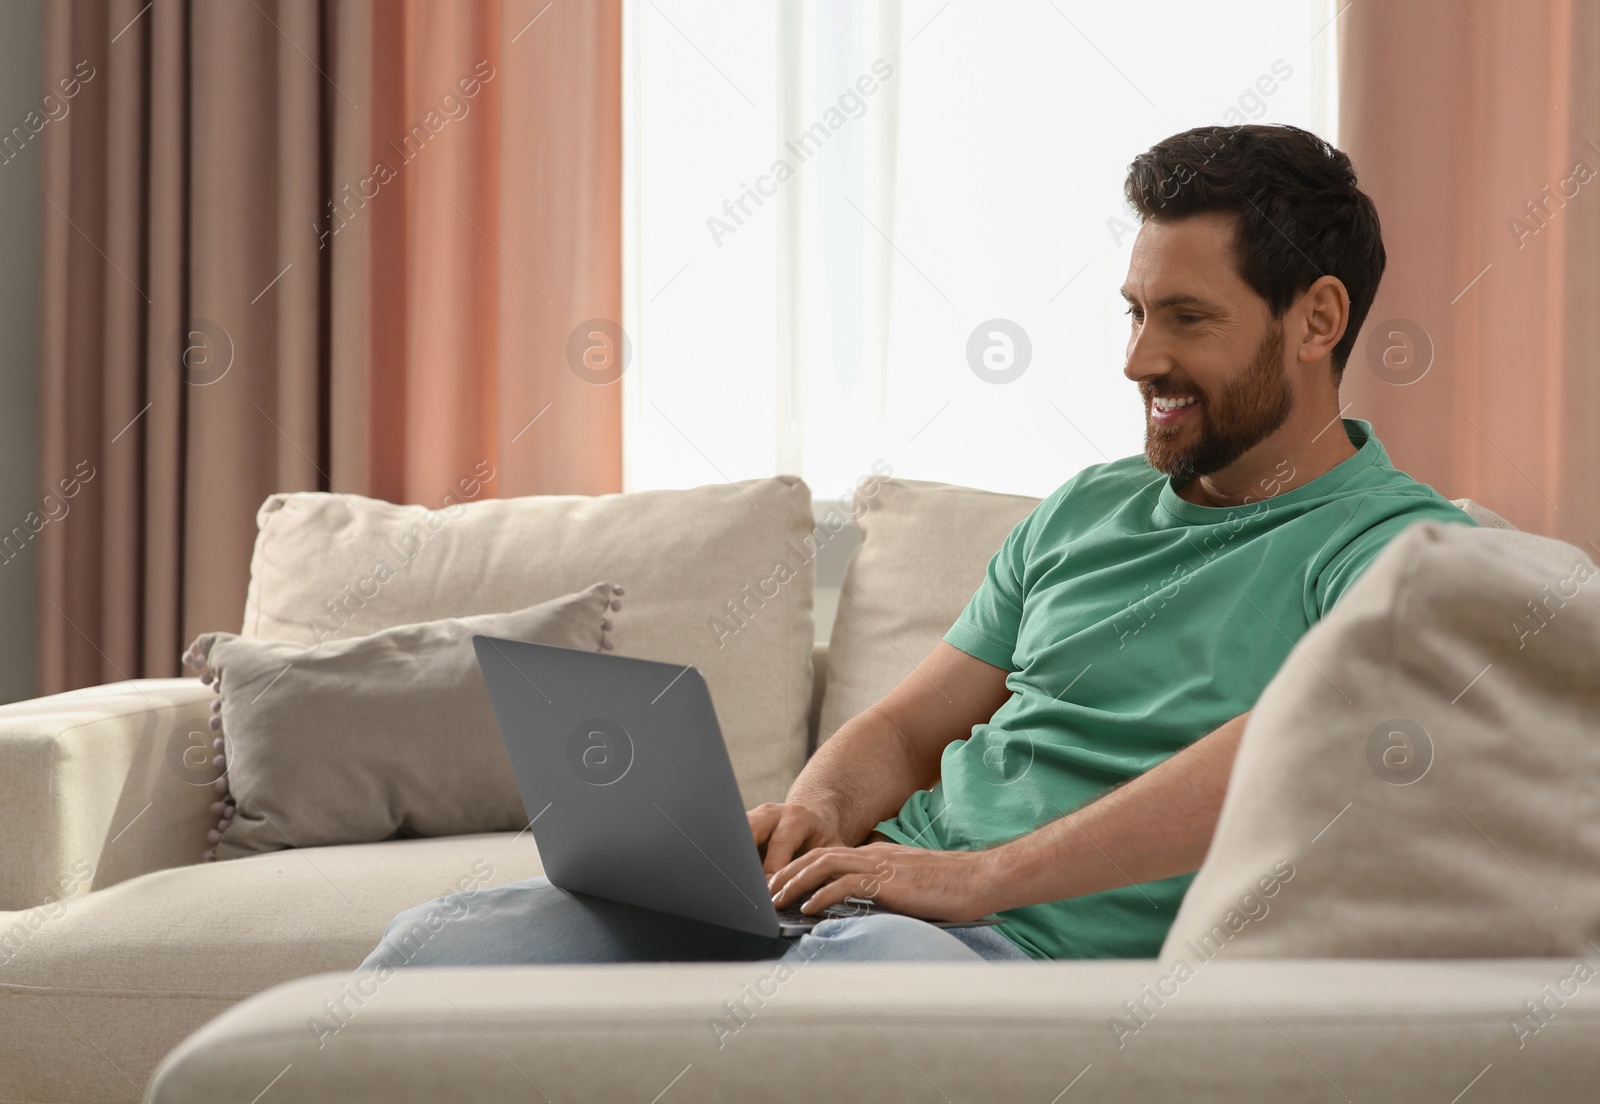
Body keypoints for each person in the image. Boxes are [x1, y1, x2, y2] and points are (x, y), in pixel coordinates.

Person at [360, 122, 1477, 972]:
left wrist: (975, 878)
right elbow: (903, 728)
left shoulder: (1405, 551)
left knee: (814, 1018)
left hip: (1005, 952)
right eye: (1131, 313)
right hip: (867, 902)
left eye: (1186, 318)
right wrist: (813, 819)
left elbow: (1289, 758)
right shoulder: (1085, 507)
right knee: (431, 952)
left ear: (1316, 320)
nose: (1138, 360)